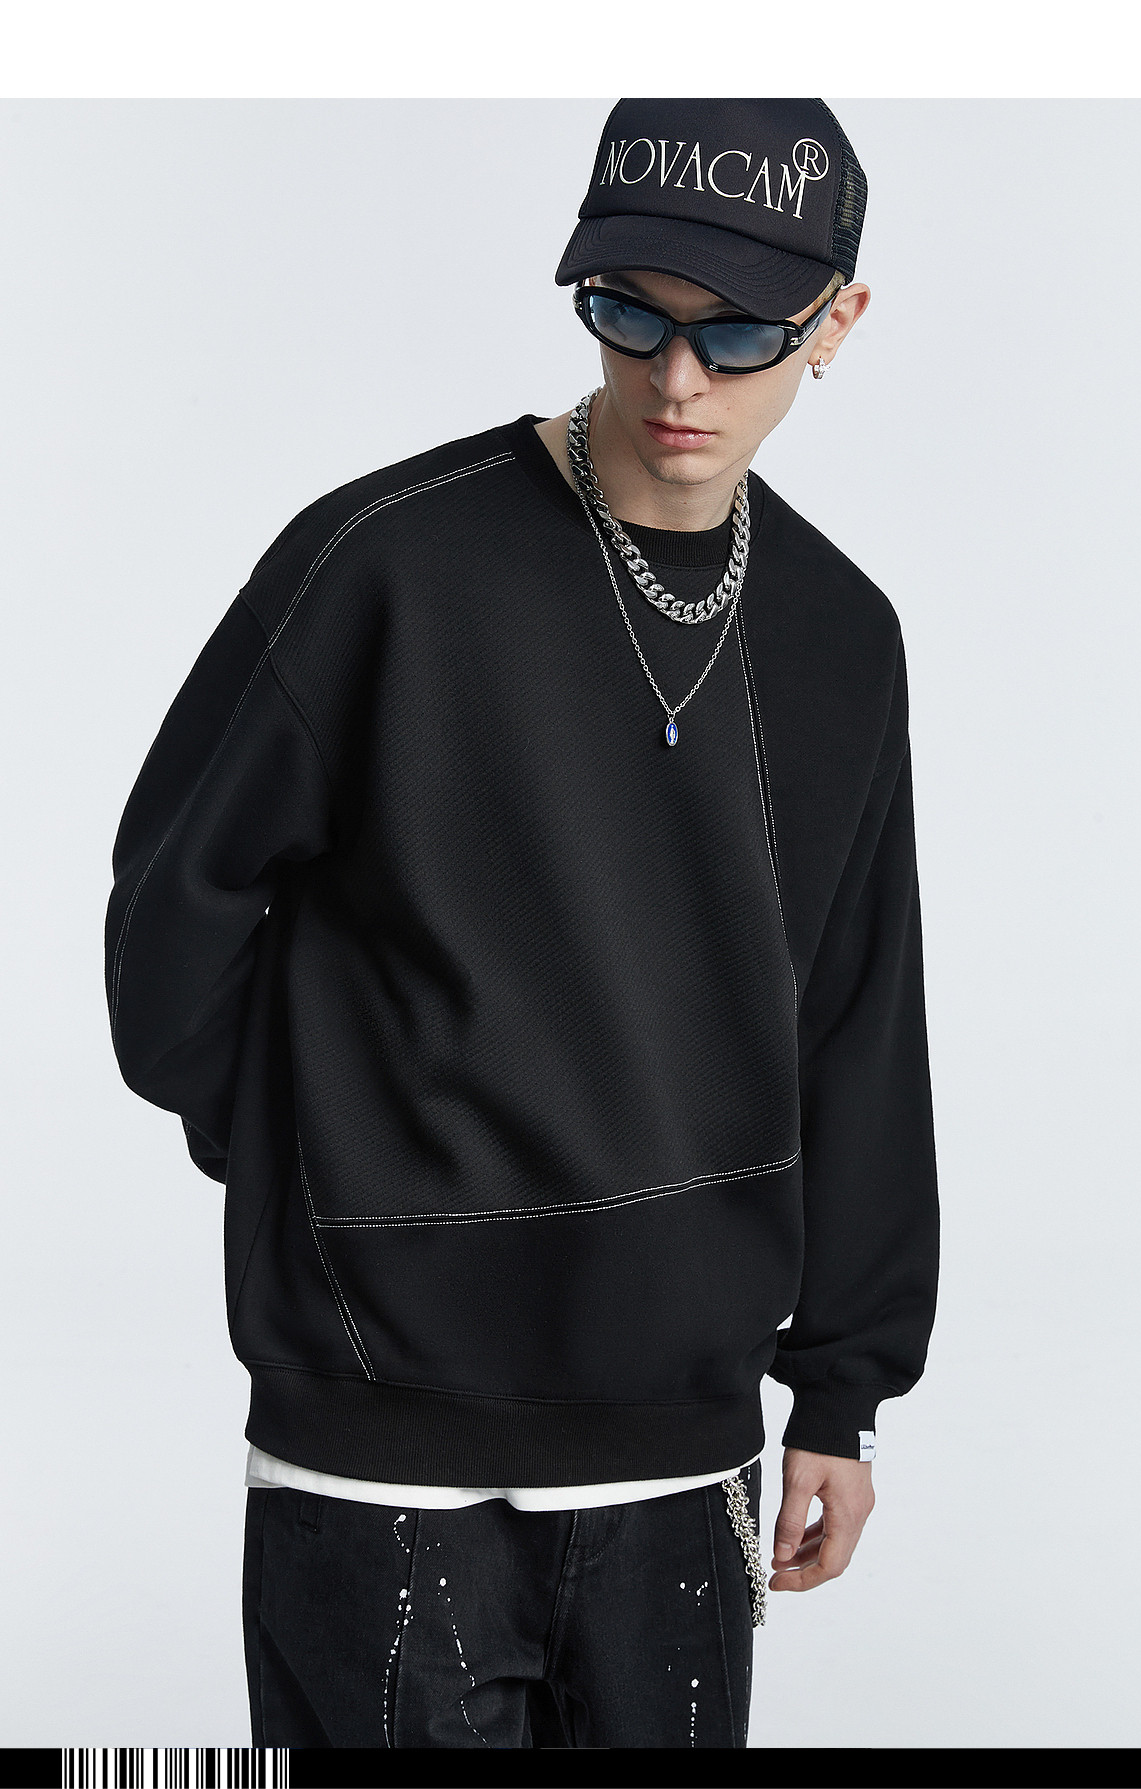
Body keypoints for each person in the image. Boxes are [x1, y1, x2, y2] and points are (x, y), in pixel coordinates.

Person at [103, 96, 939, 1750]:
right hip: (372, 1452)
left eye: (739, 333)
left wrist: (843, 1387)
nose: (678, 378)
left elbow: (858, 1018)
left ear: (838, 321)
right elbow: (168, 927)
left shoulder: (843, 637)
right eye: (628, 313)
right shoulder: (383, 566)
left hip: (680, 1457)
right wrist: (316, 1159)